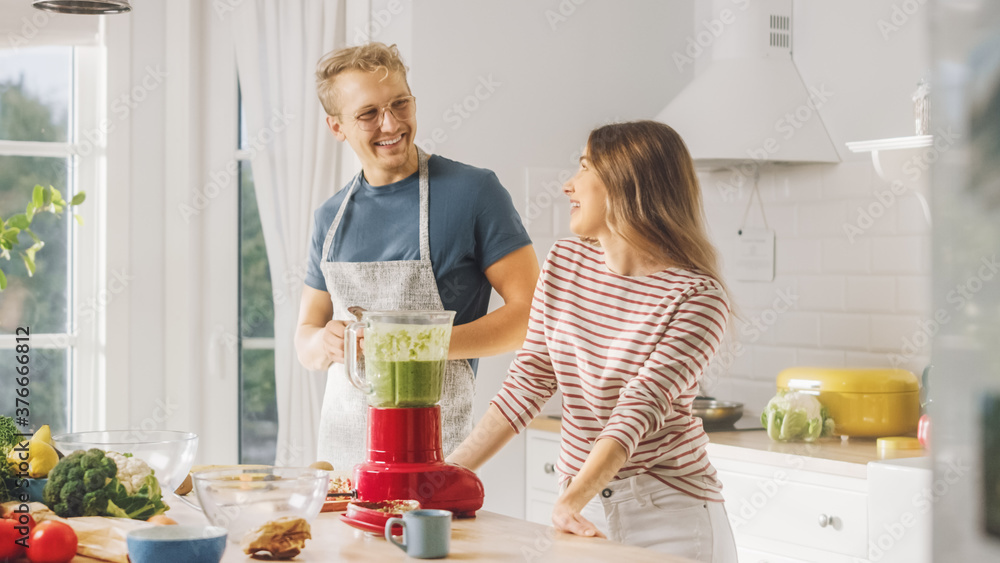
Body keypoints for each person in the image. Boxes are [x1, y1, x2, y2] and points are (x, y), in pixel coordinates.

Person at [446, 120, 738, 562]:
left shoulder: (697, 297)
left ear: (626, 184)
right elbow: (529, 381)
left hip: (670, 516)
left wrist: (571, 498)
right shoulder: (566, 263)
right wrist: (447, 475)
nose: (568, 184)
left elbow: (637, 409)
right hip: (584, 512)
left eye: (585, 168)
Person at [295, 42, 539, 471]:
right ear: (337, 127)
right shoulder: (330, 217)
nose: (390, 124)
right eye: (367, 113)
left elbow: (531, 317)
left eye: (400, 104)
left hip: (434, 454)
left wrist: (415, 345)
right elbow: (305, 339)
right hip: (340, 455)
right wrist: (324, 342)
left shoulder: (474, 192)